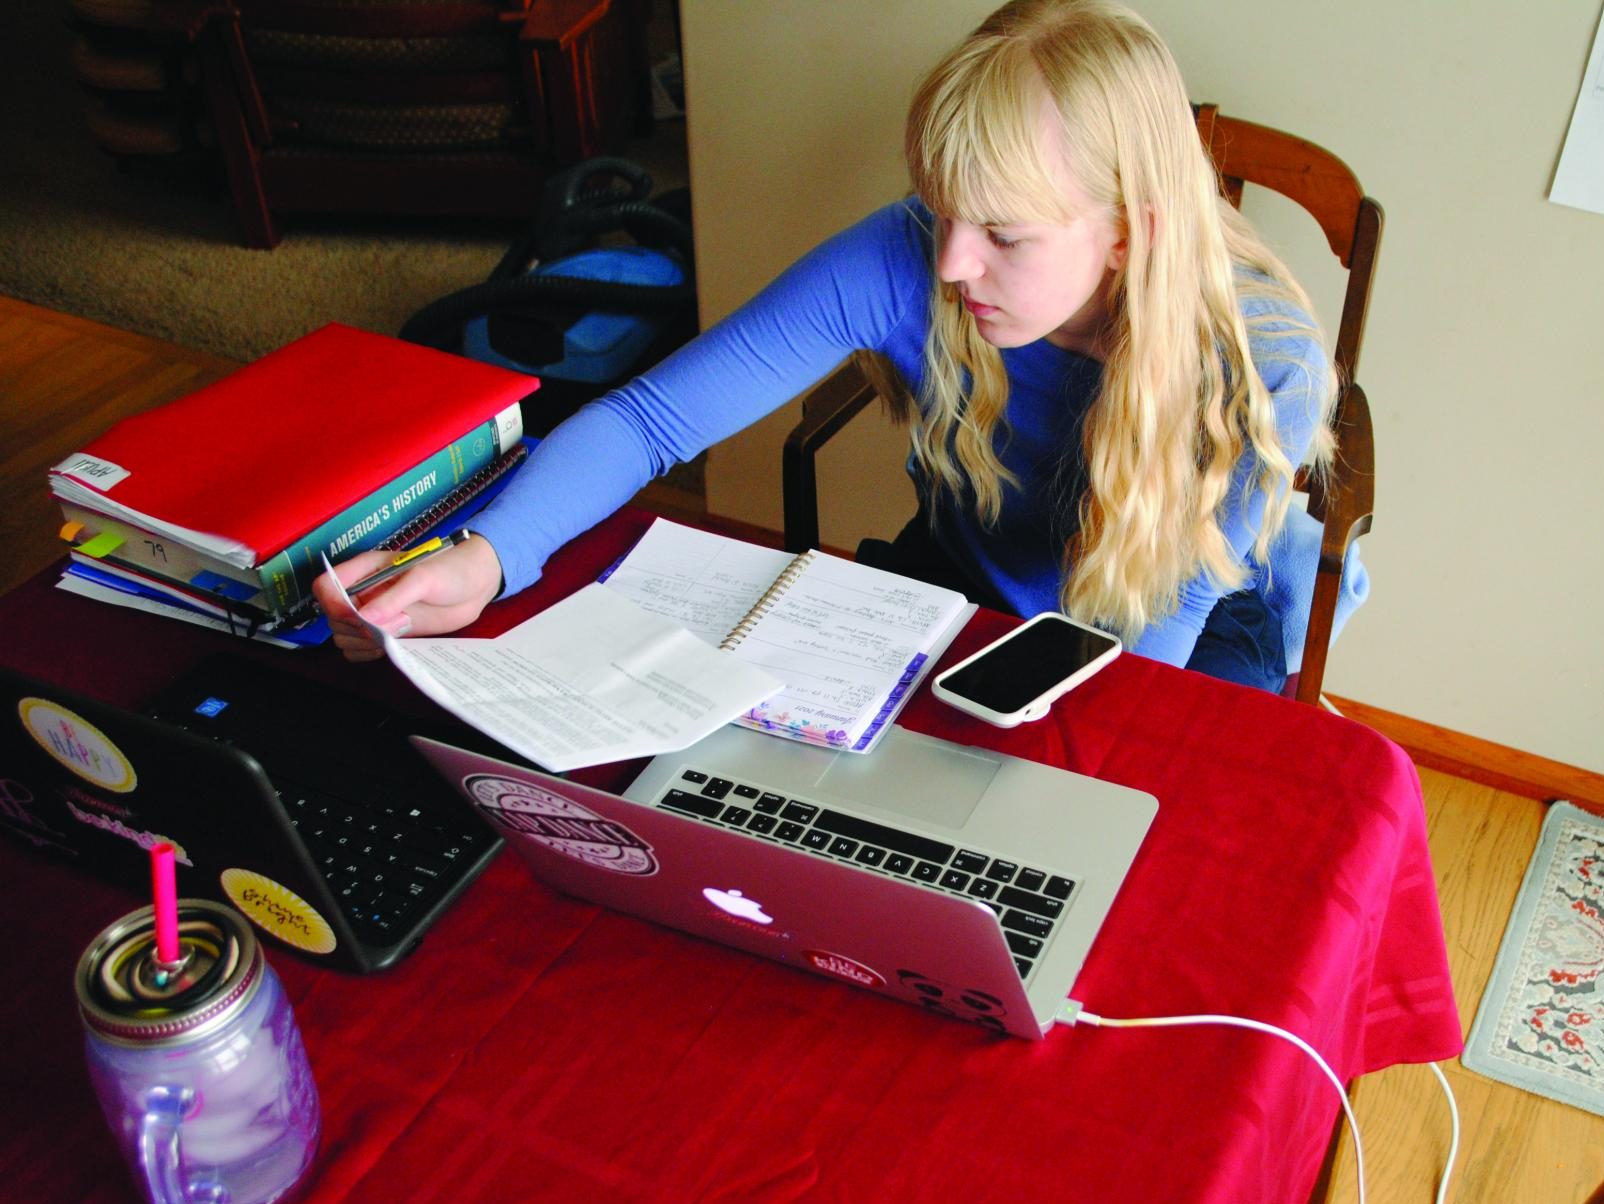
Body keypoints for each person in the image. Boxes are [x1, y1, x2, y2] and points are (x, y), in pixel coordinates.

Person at [315, 0, 1347, 693]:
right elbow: (651, 419)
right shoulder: (913, 253)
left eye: (1003, 234)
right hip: (979, 591)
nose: (947, 264)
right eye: (941, 211)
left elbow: (1143, 649)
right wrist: (488, 556)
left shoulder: (1264, 363)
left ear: (1127, 230)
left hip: (1184, 640)